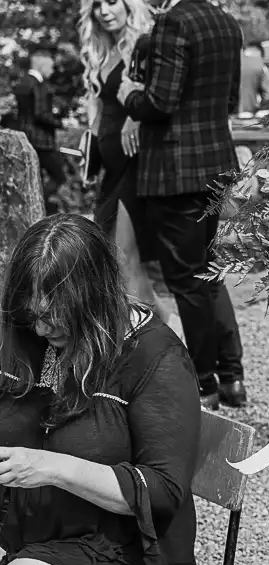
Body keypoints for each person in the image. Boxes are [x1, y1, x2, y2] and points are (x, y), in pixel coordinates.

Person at [0, 214, 202, 565]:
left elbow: (164, 493)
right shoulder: (32, 337)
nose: (40, 330)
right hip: (29, 540)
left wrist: (52, 467)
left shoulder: (155, 357)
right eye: (32, 315)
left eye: (54, 317)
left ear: (93, 300)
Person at [116, 0, 247, 410]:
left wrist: (130, 96)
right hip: (213, 164)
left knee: (187, 283)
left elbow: (161, 101)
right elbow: (228, 100)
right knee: (206, 277)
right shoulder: (226, 22)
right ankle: (231, 377)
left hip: (176, 169)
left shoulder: (174, 21)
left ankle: (203, 385)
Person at [78, 0, 173, 325]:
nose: (103, 11)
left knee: (125, 259)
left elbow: (156, 100)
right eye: (96, 6)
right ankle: (159, 336)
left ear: (129, 5)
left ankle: (158, 342)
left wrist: (136, 118)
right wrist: (89, 140)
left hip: (136, 163)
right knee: (108, 259)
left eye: (111, 2)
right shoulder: (100, 51)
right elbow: (101, 108)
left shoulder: (145, 42)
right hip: (109, 167)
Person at [12, 48, 65, 214]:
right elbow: (40, 114)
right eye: (51, 66)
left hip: (25, 139)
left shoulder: (22, 83)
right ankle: (41, 205)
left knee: (36, 178)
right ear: (42, 64)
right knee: (59, 176)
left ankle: (37, 209)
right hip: (42, 140)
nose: (52, 70)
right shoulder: (39, 85)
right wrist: (60, 124)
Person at [238, 41, 269, 117]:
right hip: (250, 113)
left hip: (228, 114)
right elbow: (267, 94)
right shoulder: (261, 66)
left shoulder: (233, 62)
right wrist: (264, 108)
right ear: (260, 53)